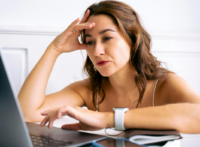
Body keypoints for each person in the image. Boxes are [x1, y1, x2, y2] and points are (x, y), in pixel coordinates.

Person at [18, 0, 200, 134]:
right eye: (89, 42)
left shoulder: (165, 84)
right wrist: (54, 49)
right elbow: (26, 114)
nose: (96, 51)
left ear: (132, 39)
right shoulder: (88, 89)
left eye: (107, 38)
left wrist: (105, 119)